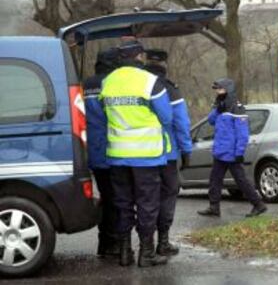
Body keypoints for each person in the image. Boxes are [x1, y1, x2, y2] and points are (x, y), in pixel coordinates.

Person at [99, 40, 173, 267]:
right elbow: (167, 117)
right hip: (146, 155)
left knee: (122, 203)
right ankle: (147, 253)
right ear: (140, 57)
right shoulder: (150, 81)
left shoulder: (108, 81)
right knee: (147, 204)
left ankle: (124, 252)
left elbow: (104, 113)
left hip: (117, 155)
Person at [145, 49, 192, 256]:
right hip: (167, 154)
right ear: (164, 65)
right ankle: (163, 242)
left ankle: (139, 245)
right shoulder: (171, 89)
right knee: (168, 195)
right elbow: (181, 123)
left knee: (145, 198)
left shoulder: (138, 85)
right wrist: (186, 150)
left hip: (140, 154)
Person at [197, 78, 267, 218]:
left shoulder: (237, 107)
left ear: (228, 89)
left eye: (220, 89)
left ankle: (258, 205)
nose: (217, 92)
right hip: (220, 152)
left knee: (241, 181)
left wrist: (239, 152)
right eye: (216, 89)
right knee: (215, 180)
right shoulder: (220, 105)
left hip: (232, 153)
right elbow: (211, 121)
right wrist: (217, 109)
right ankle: (214, 207)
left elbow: (243, 133)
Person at [83, 48, 120, 257]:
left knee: (106, 196)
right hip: (113, 149)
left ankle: (104, 243)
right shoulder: (113, 84)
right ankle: (113, 244)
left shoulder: (85, 85)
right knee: (116, 199)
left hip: (93, 151)